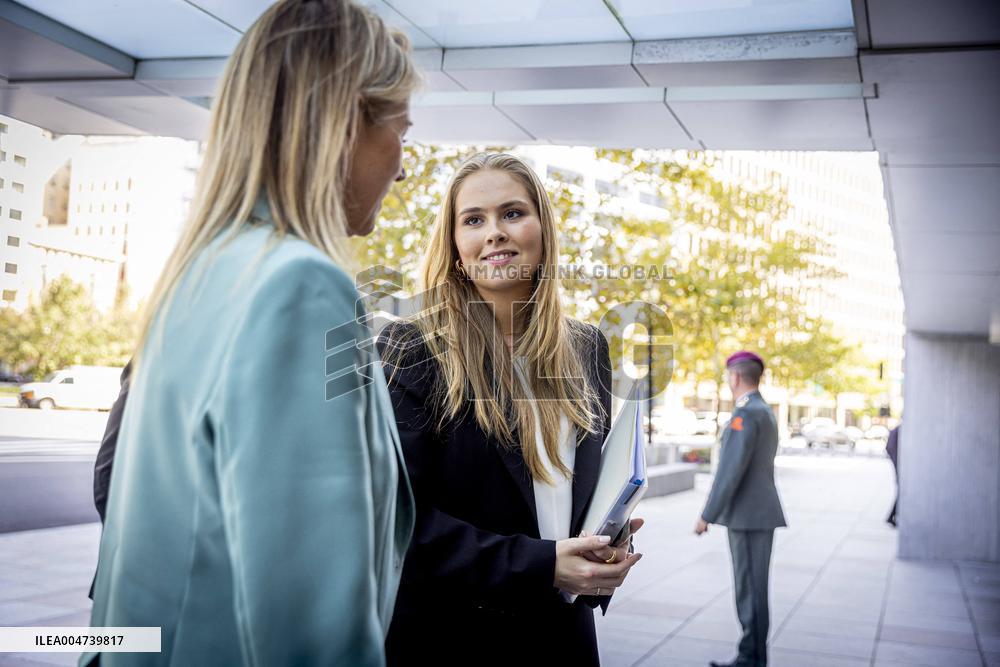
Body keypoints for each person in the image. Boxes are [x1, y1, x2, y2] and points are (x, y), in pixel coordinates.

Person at [84, 1, 420, 665]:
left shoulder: (203, 273)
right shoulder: (301, 286)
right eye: (402, 130)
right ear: (346, 120)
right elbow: (311, 630)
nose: (404, 166)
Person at [378, 153, 644, 666]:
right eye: (473, 220)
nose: (494, 232)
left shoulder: (588, 347)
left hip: (562, 636)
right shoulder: (412, 346)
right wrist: (542, 564)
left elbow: (567, 497)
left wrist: (604, 539)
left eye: (513, 213)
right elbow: (394, 521)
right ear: (456, 247)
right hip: (450, 638)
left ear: (543, 231)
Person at [695, 351, 786, 667]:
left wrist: (707, 514)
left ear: (734, 377)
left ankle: (751, 659)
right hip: (757, 514)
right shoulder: (763, 410)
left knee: (750, 591)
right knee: (754, 589)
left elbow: (729, 470)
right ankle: (753, 657)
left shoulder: (745, 414)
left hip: (748, 517)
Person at [886, 424, 900, 526]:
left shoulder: (896, 430)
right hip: (900, 465)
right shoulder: (899, 430)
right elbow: (889, 447)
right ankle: (891, 516)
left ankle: (892, 516)